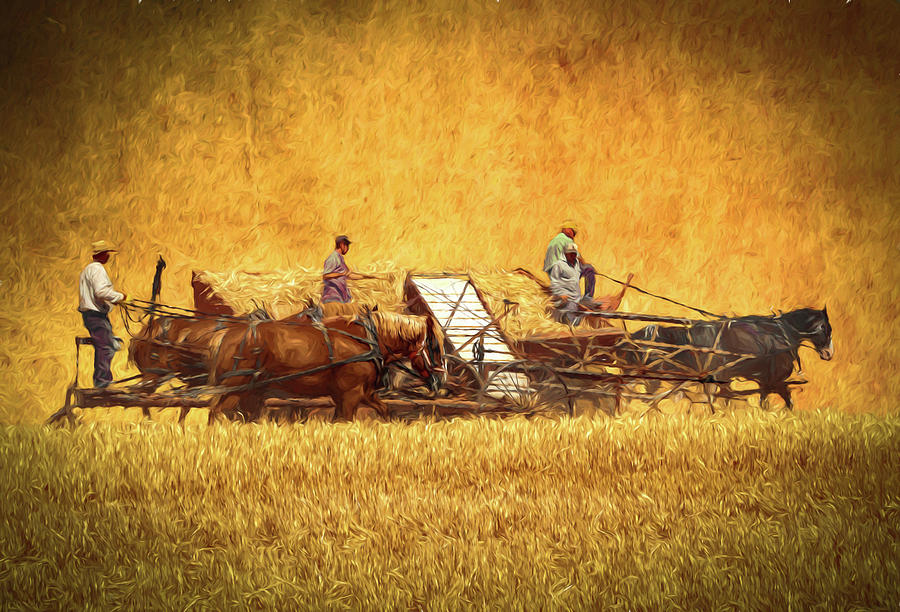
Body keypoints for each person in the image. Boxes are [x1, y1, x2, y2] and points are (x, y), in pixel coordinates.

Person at [78, 240, 127, 388]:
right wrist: (120, 297)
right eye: (108, 254)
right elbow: (101, 292)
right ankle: (102, 382)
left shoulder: (88, 269)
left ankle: (102, 380)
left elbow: (96, 294)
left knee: (108, 344)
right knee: (105, 347)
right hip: (96, 316)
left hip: (93, 315)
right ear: (103, 254)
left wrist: (111, 302)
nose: (109, 257)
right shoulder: (97, 269)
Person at [543, 224, 596, 300]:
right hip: (563, 268)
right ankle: (588, 297)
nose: (573, 236)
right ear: (568, 230)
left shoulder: (554, 240)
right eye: (573, 233)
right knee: (589, 269)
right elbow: (578, 258)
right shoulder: (568, 240)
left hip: (551, 271)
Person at [321, 235, 376, 303]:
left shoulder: (340, 258)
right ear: (342, 244)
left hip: (341, 296)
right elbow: (326, 276)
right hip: (333, 296)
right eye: (347, 246)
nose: (348, 248)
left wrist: (367, 276)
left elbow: (349, 275)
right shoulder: (333, 258)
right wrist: (341, 274)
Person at [549, 242, 592, 326]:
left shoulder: (577, 264)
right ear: (565, 254)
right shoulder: (559, 265)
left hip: (577, 299)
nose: (573, 256)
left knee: (587, 312)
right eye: (570, 254)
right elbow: (554, 282)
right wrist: (561, 294)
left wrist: (584, 263)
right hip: (566, 300)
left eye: (574, 254)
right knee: (572, 316)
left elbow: (587, 270)